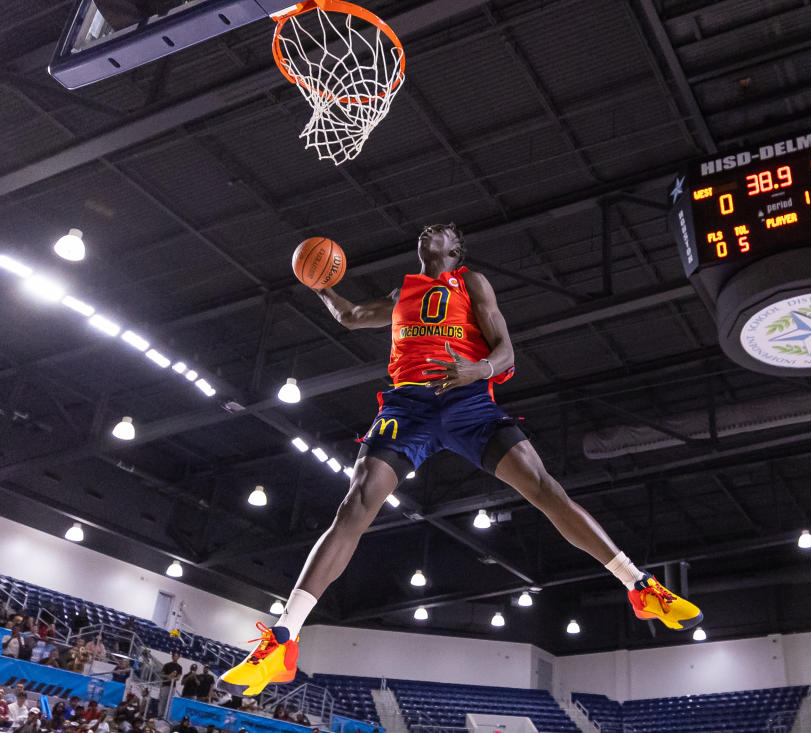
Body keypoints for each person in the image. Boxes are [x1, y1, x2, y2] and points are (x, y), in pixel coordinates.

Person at [221, 223, 701, 696]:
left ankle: (640, 586)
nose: (432, 230)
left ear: (456, 248)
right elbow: (350, 317)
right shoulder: (403, 291)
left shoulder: (471, 282)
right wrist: (322, 286)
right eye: (428, 228)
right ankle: (284, 638)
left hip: (468, 401)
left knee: (545, 490)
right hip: (407, 406)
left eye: (444, 229)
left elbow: (507, 352)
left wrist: (481, 368)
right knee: (354, 507)